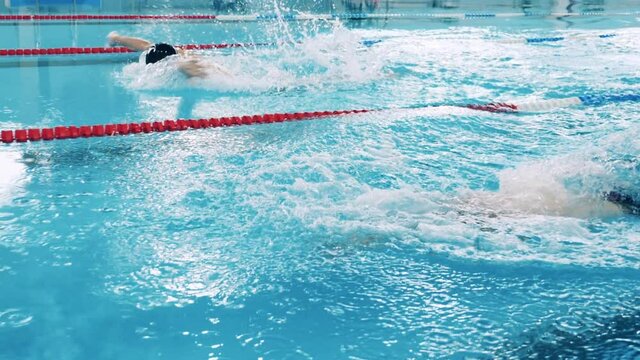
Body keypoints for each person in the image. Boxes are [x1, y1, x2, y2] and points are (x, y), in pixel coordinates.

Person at [107, 32, 230, 78]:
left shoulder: (146, 59)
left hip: (159, 57)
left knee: (147, 46)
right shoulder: (178, 52)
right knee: (186, 59)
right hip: (170, 52)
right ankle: (115, 38)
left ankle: (115, 37)